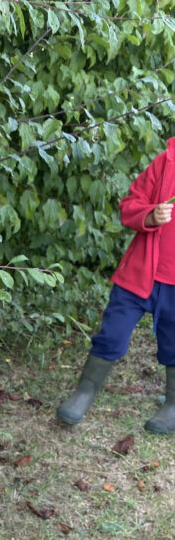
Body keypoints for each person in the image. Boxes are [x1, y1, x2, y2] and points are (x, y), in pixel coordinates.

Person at [57, 136, 175, 432]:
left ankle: (173, 404)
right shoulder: (166, 162)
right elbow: (130, 205)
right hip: (139, 275)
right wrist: (150, 214)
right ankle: (85, 391)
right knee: (112, 333)